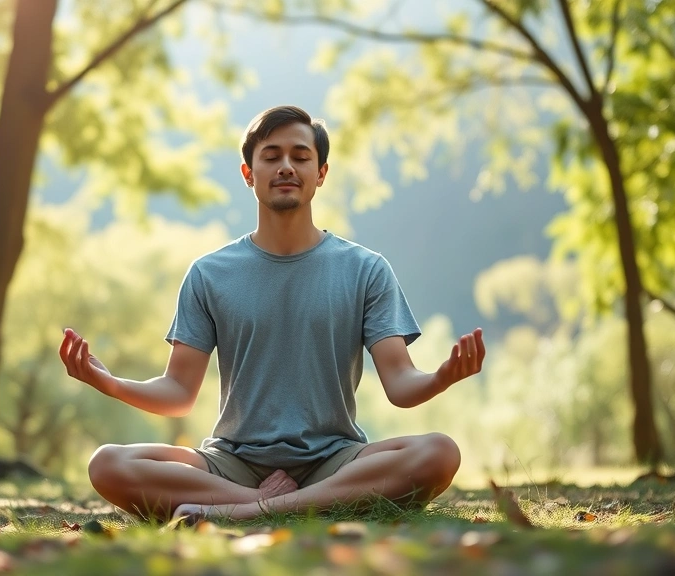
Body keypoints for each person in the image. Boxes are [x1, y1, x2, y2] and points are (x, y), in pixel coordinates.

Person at [59, 105, 485, 523]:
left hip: (335, 458)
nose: (286, 166)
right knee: (108, 464)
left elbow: (400, 383)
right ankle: (286, 503)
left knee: (439, 453)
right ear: (249, 174)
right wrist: (111, 384)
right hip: (232, 462)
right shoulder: (209, 274)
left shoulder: (366, 269)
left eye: (301, 157)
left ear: (320, 174)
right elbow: (178, 392)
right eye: (271, 156)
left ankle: (249, 510)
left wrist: (440, 377)